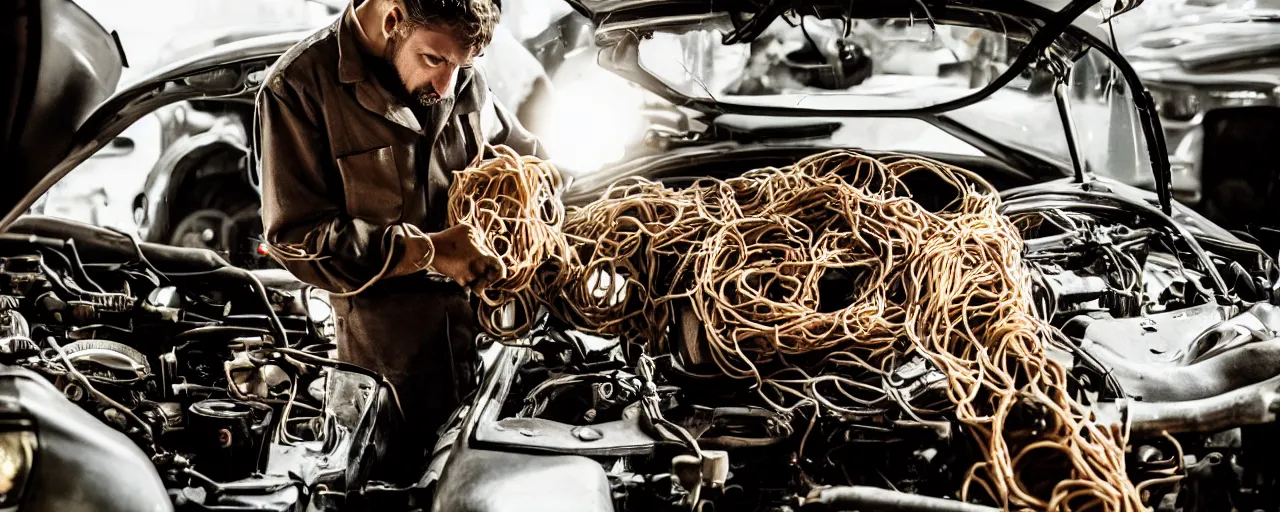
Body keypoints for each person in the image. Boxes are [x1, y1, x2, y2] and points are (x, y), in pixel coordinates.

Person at [254, 0, 544, 478]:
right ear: (393, 21)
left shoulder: (457, 71)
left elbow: (524, 157)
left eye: (463, 66)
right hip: (385, 371)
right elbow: (296, 235)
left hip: (479, 349)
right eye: (435, 60)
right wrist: (426, 251)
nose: (448, 84)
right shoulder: (299, 88)